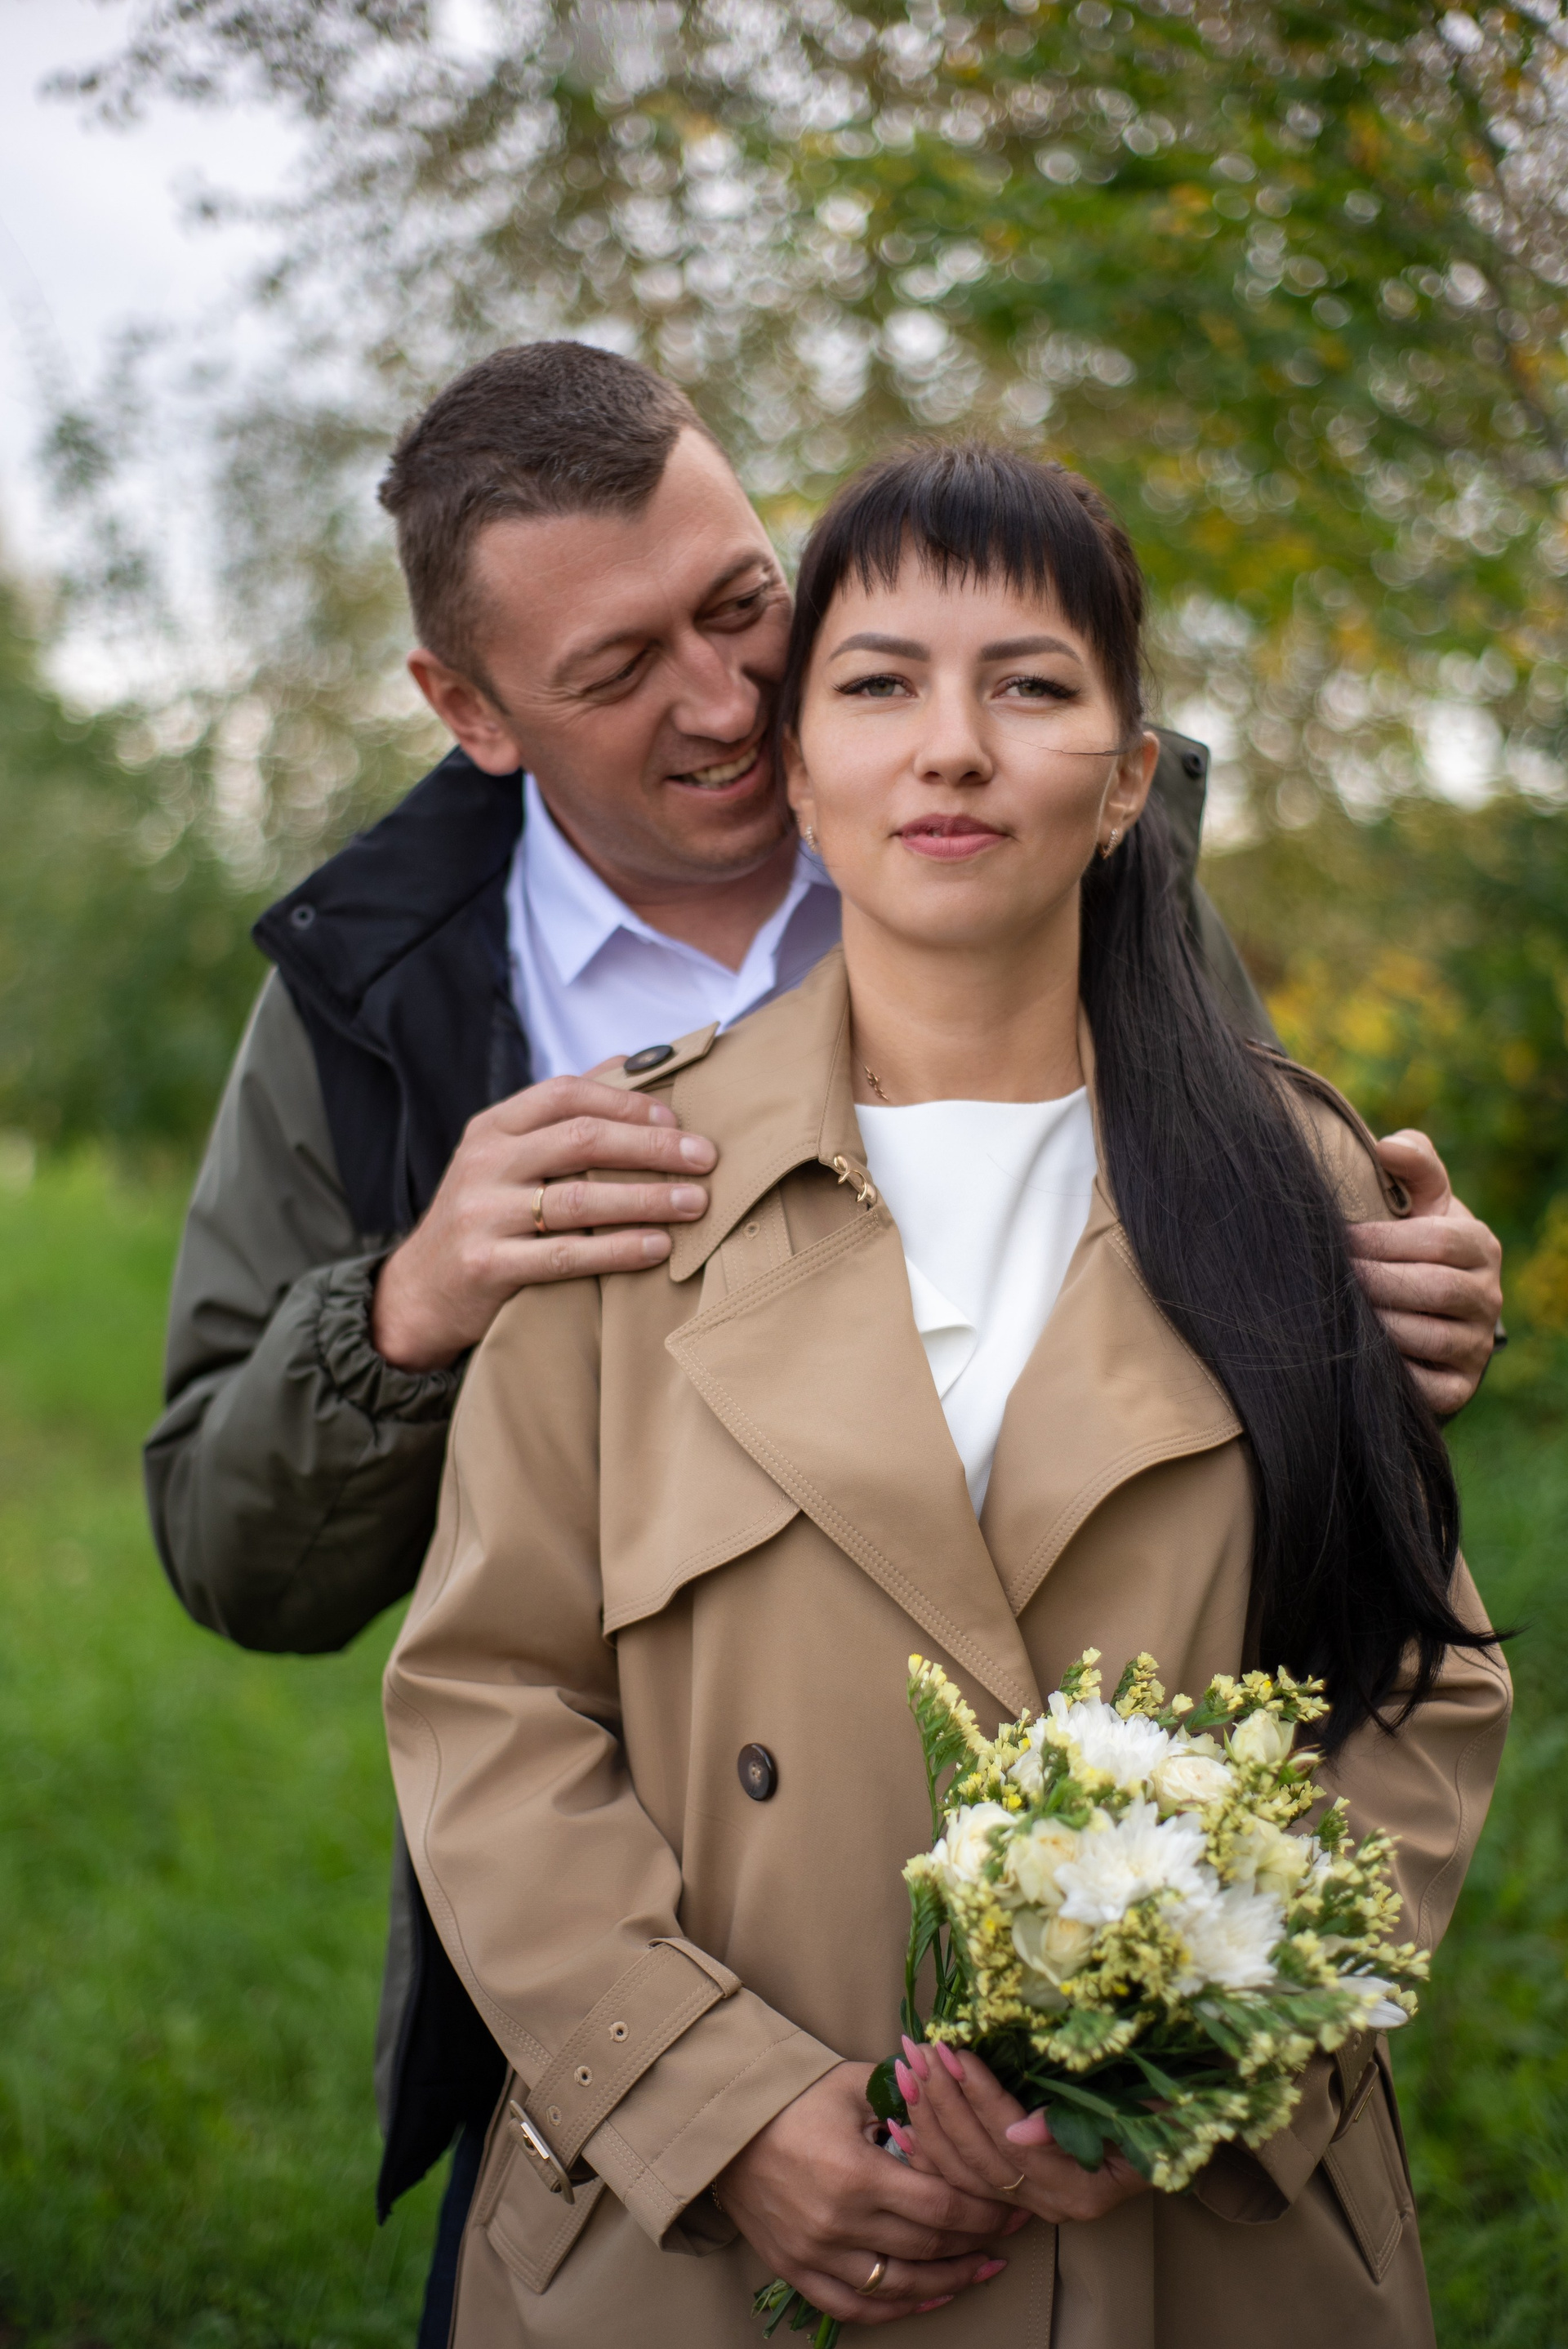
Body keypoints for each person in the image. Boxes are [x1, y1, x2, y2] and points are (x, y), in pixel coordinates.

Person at [145, 346, 1504, 2333]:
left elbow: (1363, 1585)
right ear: (471, 710)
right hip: (635, 2055)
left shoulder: (1119, 917)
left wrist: (1193, 2056)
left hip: (1177, 2212)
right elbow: (395, 1637)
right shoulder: (389, 1006)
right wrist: (408, 1307)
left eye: (742, 609)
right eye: (620, 668)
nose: (723, 699)